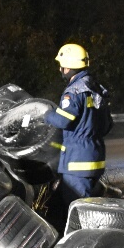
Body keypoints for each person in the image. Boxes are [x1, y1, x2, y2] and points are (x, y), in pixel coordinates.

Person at [44, 42, 111, 222]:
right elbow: (107, 125)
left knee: (79, 214)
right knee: (60, 206)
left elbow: (63, 120)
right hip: (94, 158)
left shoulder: (73, 91)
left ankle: (81, 246)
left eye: (62, 65)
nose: (61, 69)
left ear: (68, 67)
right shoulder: (97, 89)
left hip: (77, 163)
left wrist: (47, 114)